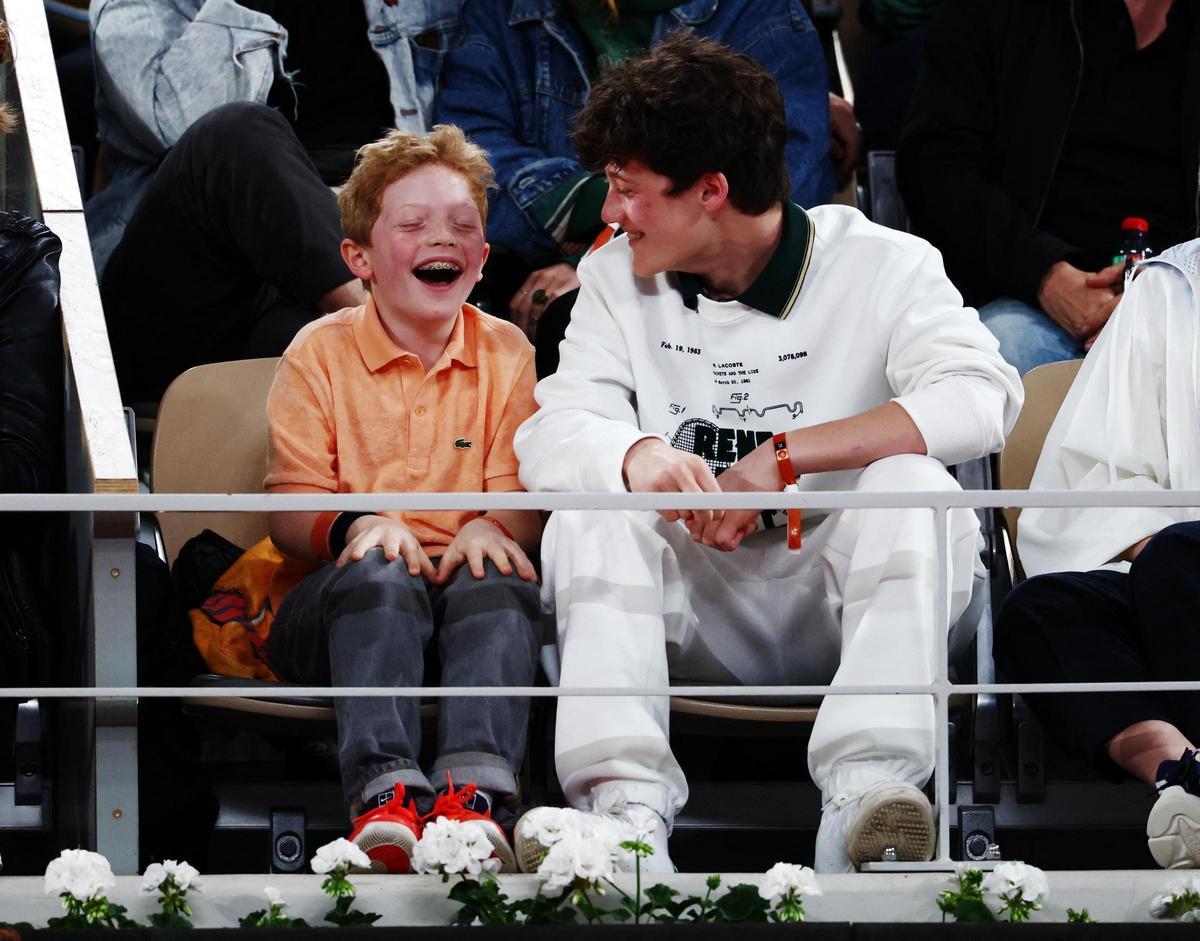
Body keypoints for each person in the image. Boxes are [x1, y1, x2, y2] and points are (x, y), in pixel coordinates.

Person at [512, 34, 1022, 873]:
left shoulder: (883, 263)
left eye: (628, 190)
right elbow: (555, 428)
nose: (610, 214)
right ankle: (623, 817)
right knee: (591, 507)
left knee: (913, 483)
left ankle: (870, 800)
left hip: (841, 592)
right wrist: (638, 453)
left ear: (711, 190)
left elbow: (982, 395)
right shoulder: (612, 275)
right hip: (694, 600)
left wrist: (782, 457)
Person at [260, 125, 542, 874]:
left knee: (503, 575)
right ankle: (383, 801)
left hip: (457, 593)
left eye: (462, 227)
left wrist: (491, 522)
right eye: (412, 225)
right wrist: (362, 523)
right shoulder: (317, 351)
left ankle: (474, 800)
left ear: (481, 260)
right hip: (333, 603)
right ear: (359, 259)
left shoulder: (509, 353)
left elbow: (524, 497)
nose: (439, 238)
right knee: (381, 571)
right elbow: (289, 514)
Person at [435, 0, 857, 375]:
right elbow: (463, 164)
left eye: (626, 189)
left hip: (719, 294)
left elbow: (765, 190)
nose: (610, 208)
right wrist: (613, 212)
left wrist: (598, 258)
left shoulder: (760, 12)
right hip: (527, 275)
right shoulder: (496, 12)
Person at [87, 0, 464, 403]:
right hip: (200, 270)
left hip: (353, 247)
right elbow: (174, 123)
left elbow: (476, 133)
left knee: (302, 343)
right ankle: (388, 328)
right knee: (238, 131)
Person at [994, 238, 1200, 869]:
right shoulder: (1175, 287)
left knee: (1175, 562)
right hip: (1181, 582)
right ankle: (1184, 775)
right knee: (1042, 608)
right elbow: (1099, 473)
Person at [897, 0, 1199, 377]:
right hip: (1027, 294)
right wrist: (1045, 276)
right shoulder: (997, 13)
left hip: (1186, 297)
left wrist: (1171, 293)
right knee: (1000, 361)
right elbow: (935, 168)